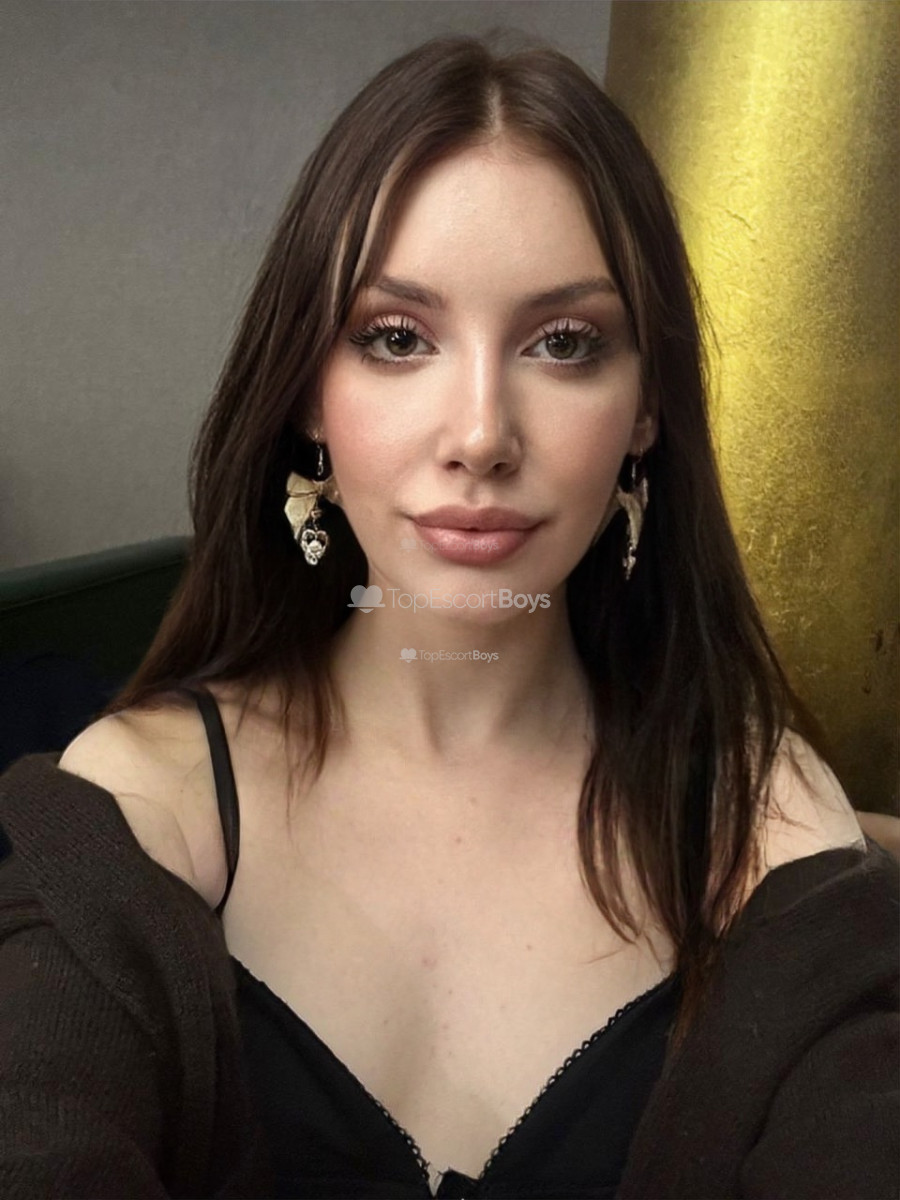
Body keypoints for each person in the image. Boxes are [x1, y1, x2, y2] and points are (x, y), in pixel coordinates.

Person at [0, 31, 896, 1200]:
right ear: (308, 394)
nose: (480, 435)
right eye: (397, 339)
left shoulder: (759, 825)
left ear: (645, 410)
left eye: (564, 344)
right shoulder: (147, 807)